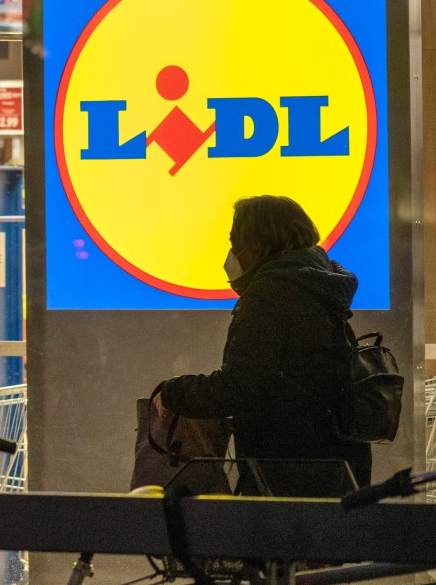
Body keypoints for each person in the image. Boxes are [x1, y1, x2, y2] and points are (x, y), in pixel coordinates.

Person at [152, 195, 370, 497]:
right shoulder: (323, 289)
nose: (231, 253)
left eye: (235, 241)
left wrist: (172, 391)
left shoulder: (268, 297)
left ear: (259, 244)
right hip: (339, 464)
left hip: (285, 472)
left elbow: (240, 385)